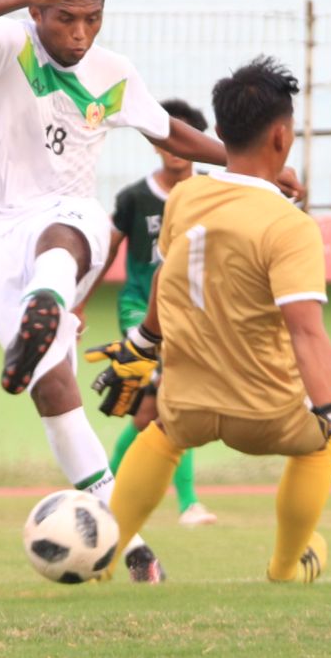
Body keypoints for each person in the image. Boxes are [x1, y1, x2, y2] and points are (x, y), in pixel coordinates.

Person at [0, 0, 302, 583]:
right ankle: (122, 540)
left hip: (70, 224)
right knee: (52, 393)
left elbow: (174, 134)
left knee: (68, 230)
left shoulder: (114, 72)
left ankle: (45, 303)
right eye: (66, 18)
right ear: (39, 14)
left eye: (92, 20)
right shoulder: (6, 47)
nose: (80, 33)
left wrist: (249, 169)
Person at [102, 57, 331, 582]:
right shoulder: (290, 226)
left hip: (188, 400)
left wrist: (143, 343)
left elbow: (166, 282)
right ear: (282, 139)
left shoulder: (186, 197)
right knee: (314, 448)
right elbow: (307, 331)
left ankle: (103, 560)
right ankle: (286, 565)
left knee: (160, 434)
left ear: (219, 132)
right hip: (268, 411)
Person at [80, 99, 217, 528]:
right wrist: (80, 300)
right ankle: (189, 504)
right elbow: (109, 250)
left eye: (183, 139)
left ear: (197, 144)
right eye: (166, 140)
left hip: (192, 313)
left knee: (147, 416)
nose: (175, 149)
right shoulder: (135, 198)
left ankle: (99, 496)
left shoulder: (215, 194)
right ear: (156, 144)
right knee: (175, 397)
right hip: (141, 310)